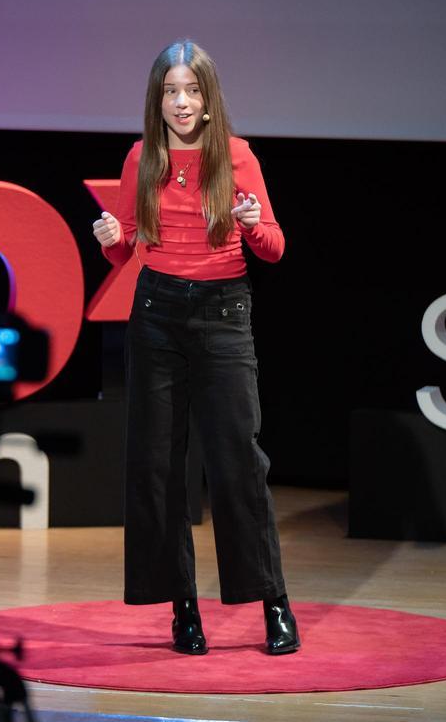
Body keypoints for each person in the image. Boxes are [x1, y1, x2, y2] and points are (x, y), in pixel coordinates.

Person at [91, 39, 299, 656]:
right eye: (170, 91)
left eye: (191, 91)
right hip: (156, 314)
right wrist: (109, 236)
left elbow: (274, 247)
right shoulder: (141, 158)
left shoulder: (235, 156)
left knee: (238, 462)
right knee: (156, 466)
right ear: (157, 100)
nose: (181, 102)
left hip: (223, 314)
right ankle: (183, 607)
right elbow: (125, 243)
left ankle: (274, 602)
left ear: (209, 100)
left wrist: (253, 220)